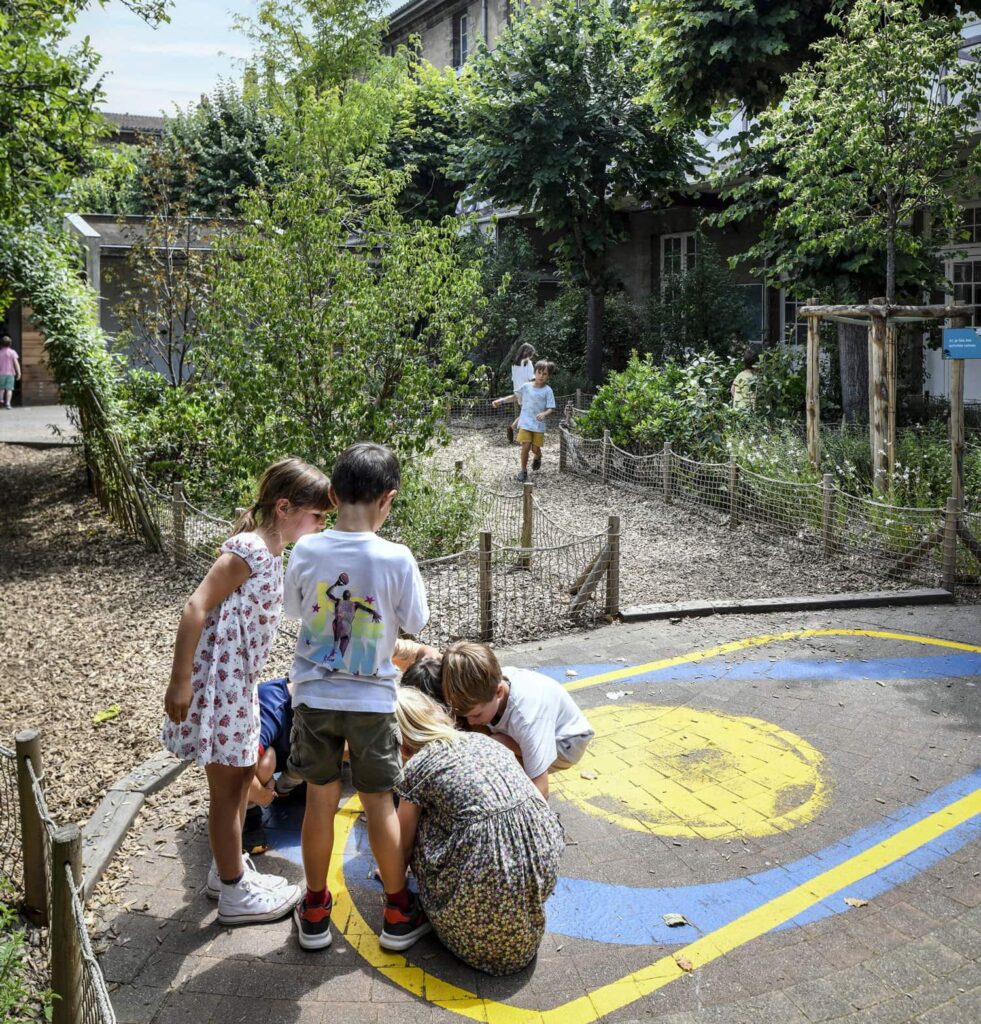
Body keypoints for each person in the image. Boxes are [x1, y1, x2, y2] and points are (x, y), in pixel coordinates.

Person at [162, 458, 332, 925]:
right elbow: (196, 605)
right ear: (284, 507)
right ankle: (235, 893)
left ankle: (227, 871)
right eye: (317, 516)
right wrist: (181, 681)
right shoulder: (249, 549)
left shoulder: (273, 552)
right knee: (225, 790)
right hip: (220, 687)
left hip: (240, 686)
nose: (321, 525)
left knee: (239, 782)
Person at [285, 442, 430, 952]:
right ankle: (395, 909)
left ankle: (317, 906)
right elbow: (416, 622)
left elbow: (295, 611)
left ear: (331, 492)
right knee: (378, 804)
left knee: (319, 801)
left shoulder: (305, 550)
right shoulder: (396, 557)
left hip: (313, 696)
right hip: (371, 703)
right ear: (388, 499)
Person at [394, 687, 565, 974]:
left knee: (418, 820)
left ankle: (447, 913)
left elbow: (402, 842)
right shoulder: (484, 741)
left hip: (478, 898)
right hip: (537, 866)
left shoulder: (419, 767)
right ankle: (507, 911)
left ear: (401, 745)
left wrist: (392, 871)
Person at [441, 641, 594, 799]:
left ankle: (514, 784)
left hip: (566, 742)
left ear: (499, 692)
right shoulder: (485, 684)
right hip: (525, 729)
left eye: (477, 715)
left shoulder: (527, 717)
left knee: (495, 753)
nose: (471, 722)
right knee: (484, 742)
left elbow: (542, 791)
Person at [491, 359, 557, 483]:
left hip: (538, 425)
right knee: (525, 446)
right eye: (539, 372)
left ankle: (538, 456)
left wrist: (544, 413)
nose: (541, 376)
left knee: (535, 449)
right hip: (525, 423)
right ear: (535, 372)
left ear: (548, 376)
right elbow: (515, 396)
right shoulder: (526, 387)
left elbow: (551, 408)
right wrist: (500, 401)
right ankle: (523, 471)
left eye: (545, 374)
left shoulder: (548, 390)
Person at [506, 343, 537, 444]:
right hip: (527, 391)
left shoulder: (514, 363)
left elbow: (513, 378)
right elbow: (531, 378)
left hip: (517, 391)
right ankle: (523, 436)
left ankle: (512, 427)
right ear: (529, 353)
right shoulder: (528, 363)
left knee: (525, 413)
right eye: (531, 353)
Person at [731, 347, 759, 411]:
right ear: (755, 364)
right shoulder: (755, 379)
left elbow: (732, 390)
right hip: (749, 411)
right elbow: (757, 396)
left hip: (737, 409)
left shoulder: (739, 375)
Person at [0, 336, 21, 410]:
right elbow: (16, 363)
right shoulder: (12, 352)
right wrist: (19, 373)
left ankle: (1, 399)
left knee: (1, 388)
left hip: (1, 374)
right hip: (10, 374)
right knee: (9, 389)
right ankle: (8, 404)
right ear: (10, 344)